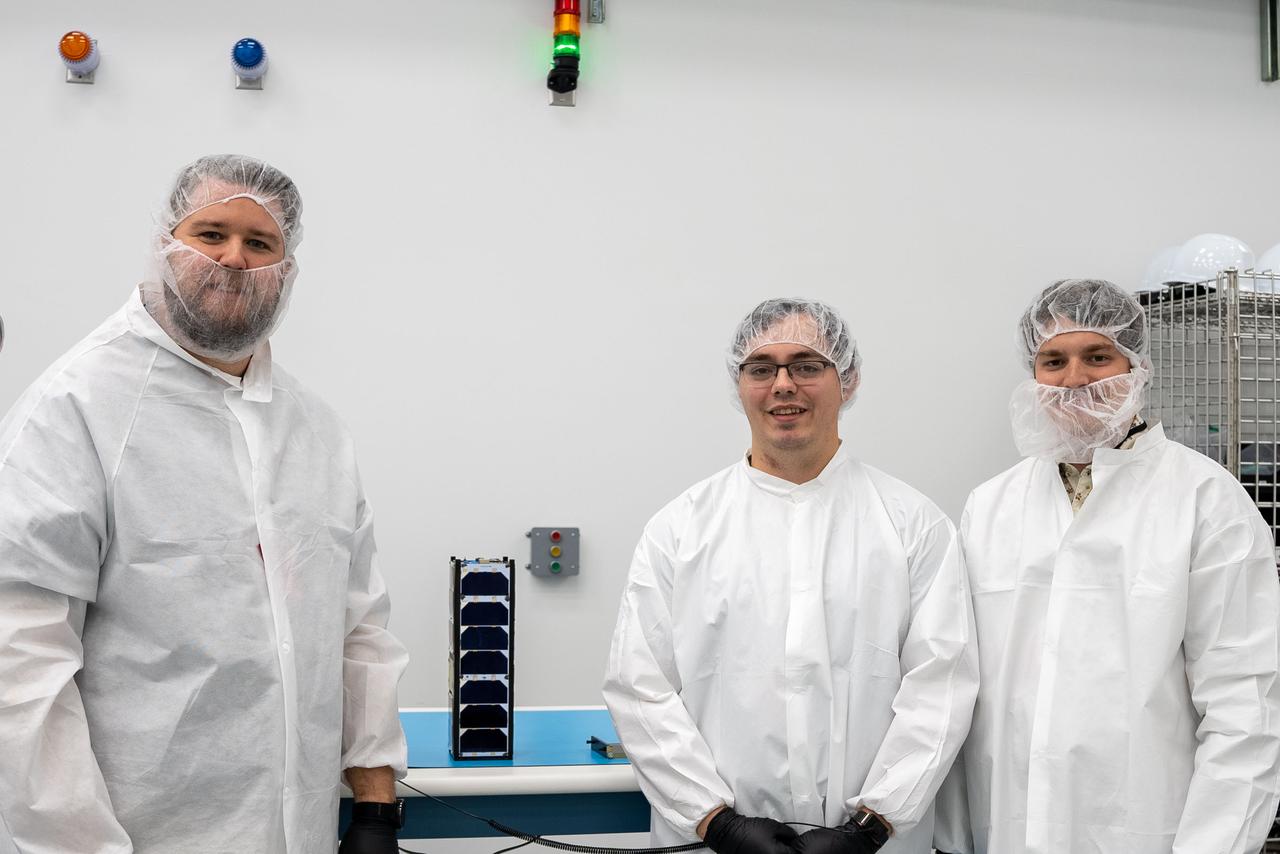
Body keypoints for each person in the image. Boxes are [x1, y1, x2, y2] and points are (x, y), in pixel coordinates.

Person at [0, 155, 409, 853]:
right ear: (166, 242)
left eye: (260, 243)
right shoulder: (76, 408)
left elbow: (359, 626)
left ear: (288, 267)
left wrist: (374, 807)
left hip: (299, 833)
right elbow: (20, 660)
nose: (233, 259)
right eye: (210, 233)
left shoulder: (316, 431)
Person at [602, 298, 979, 854]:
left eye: (807, 365)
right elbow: (640, 689)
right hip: (716, 844)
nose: (783, 385)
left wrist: (874, 825)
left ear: (846, 380)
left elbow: (941, 687)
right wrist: (714, 821)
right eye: (762, 368)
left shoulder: (912, 524)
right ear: (740, 385)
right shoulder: (681, 528)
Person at [933, 278, 1280, 854]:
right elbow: (960, 687)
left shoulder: (1206, 500)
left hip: (1148, 827)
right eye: (1054, 360)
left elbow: (1246, 701)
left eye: (1097, 357)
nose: (1074, 380)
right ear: (1033, 374)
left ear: (1137, 366)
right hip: (1010, 826)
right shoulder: (990, 505)